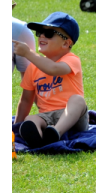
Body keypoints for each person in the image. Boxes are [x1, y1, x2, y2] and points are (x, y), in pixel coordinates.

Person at [13, 13, 90, 149]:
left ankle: (56, 132)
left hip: (74, 117)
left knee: (77, 100)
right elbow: (26, 100)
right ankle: (41, 139)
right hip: (46, 117)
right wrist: (15, 127)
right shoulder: (33, 67)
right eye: (40, 32)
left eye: (49, 33)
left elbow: (53, 69)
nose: (42, 36)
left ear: (66, 43)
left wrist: (28, 53)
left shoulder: (72, 59)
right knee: (30, 120)